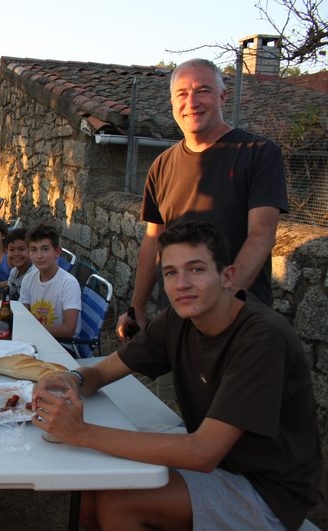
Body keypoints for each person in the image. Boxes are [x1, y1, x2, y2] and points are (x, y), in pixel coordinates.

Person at [33, 220, 321, 531]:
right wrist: (71, 379)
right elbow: (102, 371)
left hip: (267, 490)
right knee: (90, 492)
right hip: (219, 465)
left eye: (196, 269)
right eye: (170, 273)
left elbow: (203, 453)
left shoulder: (262, 338)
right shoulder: (178, 320)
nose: (181, 283)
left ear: (228, 277)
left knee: (119, 503)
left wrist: (81, 433)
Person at [116, 58, 288, 340]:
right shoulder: (161, 165)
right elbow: (152, 241)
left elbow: (262, 235)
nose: (192, 102)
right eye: (182, 94)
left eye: (203, 90)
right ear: (172, 102)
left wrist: (221, 305)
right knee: (173, 387)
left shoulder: (259, 153)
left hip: (239, 321)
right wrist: (137, 307)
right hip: (175, 319)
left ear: (222, 96)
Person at [19, 224, 80, 339]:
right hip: (36, 338)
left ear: (57, 252)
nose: (39, 256)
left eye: (45, 249)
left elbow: (69, 329)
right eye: (33, 250)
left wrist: (33, 330)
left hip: (62, 344)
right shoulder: (28, 279)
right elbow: (23, 314)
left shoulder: (68, 284)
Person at [5, 228, 35, 300]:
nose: (16, 254)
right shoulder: (14, 272)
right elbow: (8, 298)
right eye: (12, 250)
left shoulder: (34, 275)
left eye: (21, 249)